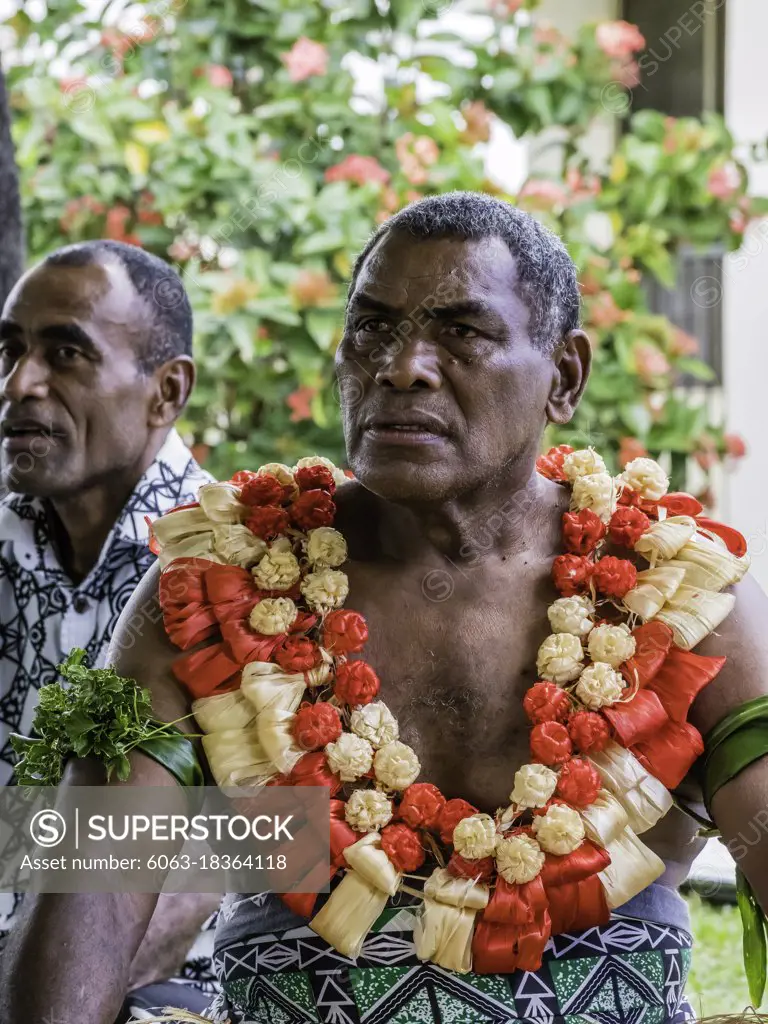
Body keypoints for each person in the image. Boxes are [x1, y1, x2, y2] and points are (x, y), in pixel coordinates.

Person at [4, 193, 768, 1024]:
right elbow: (74, 941)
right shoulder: (215, 593)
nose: (402, 366)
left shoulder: (682, 601)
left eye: (461, 332)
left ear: (566, 377)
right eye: (371, 328)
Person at [0, 240, 220, 1018]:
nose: (20, 383)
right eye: (12, 350)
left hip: (164, 991)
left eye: (65, 354)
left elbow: (243, 856)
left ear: (166, 391)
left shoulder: (246, 573)